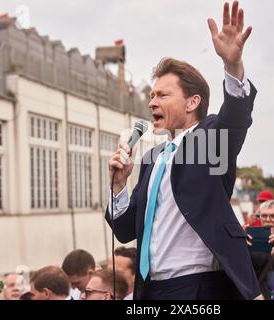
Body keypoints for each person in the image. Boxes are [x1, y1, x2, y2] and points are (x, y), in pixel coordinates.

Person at [106, 1, 260, 299]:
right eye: (151, 95)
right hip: (151, 289)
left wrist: (232, 66)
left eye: (162, 94)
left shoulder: (209, 138)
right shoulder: (152, 159)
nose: (152, 102)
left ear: (192, 102)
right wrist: (119, 186)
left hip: (198, 286)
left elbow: (236, 116)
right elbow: (125, 231)